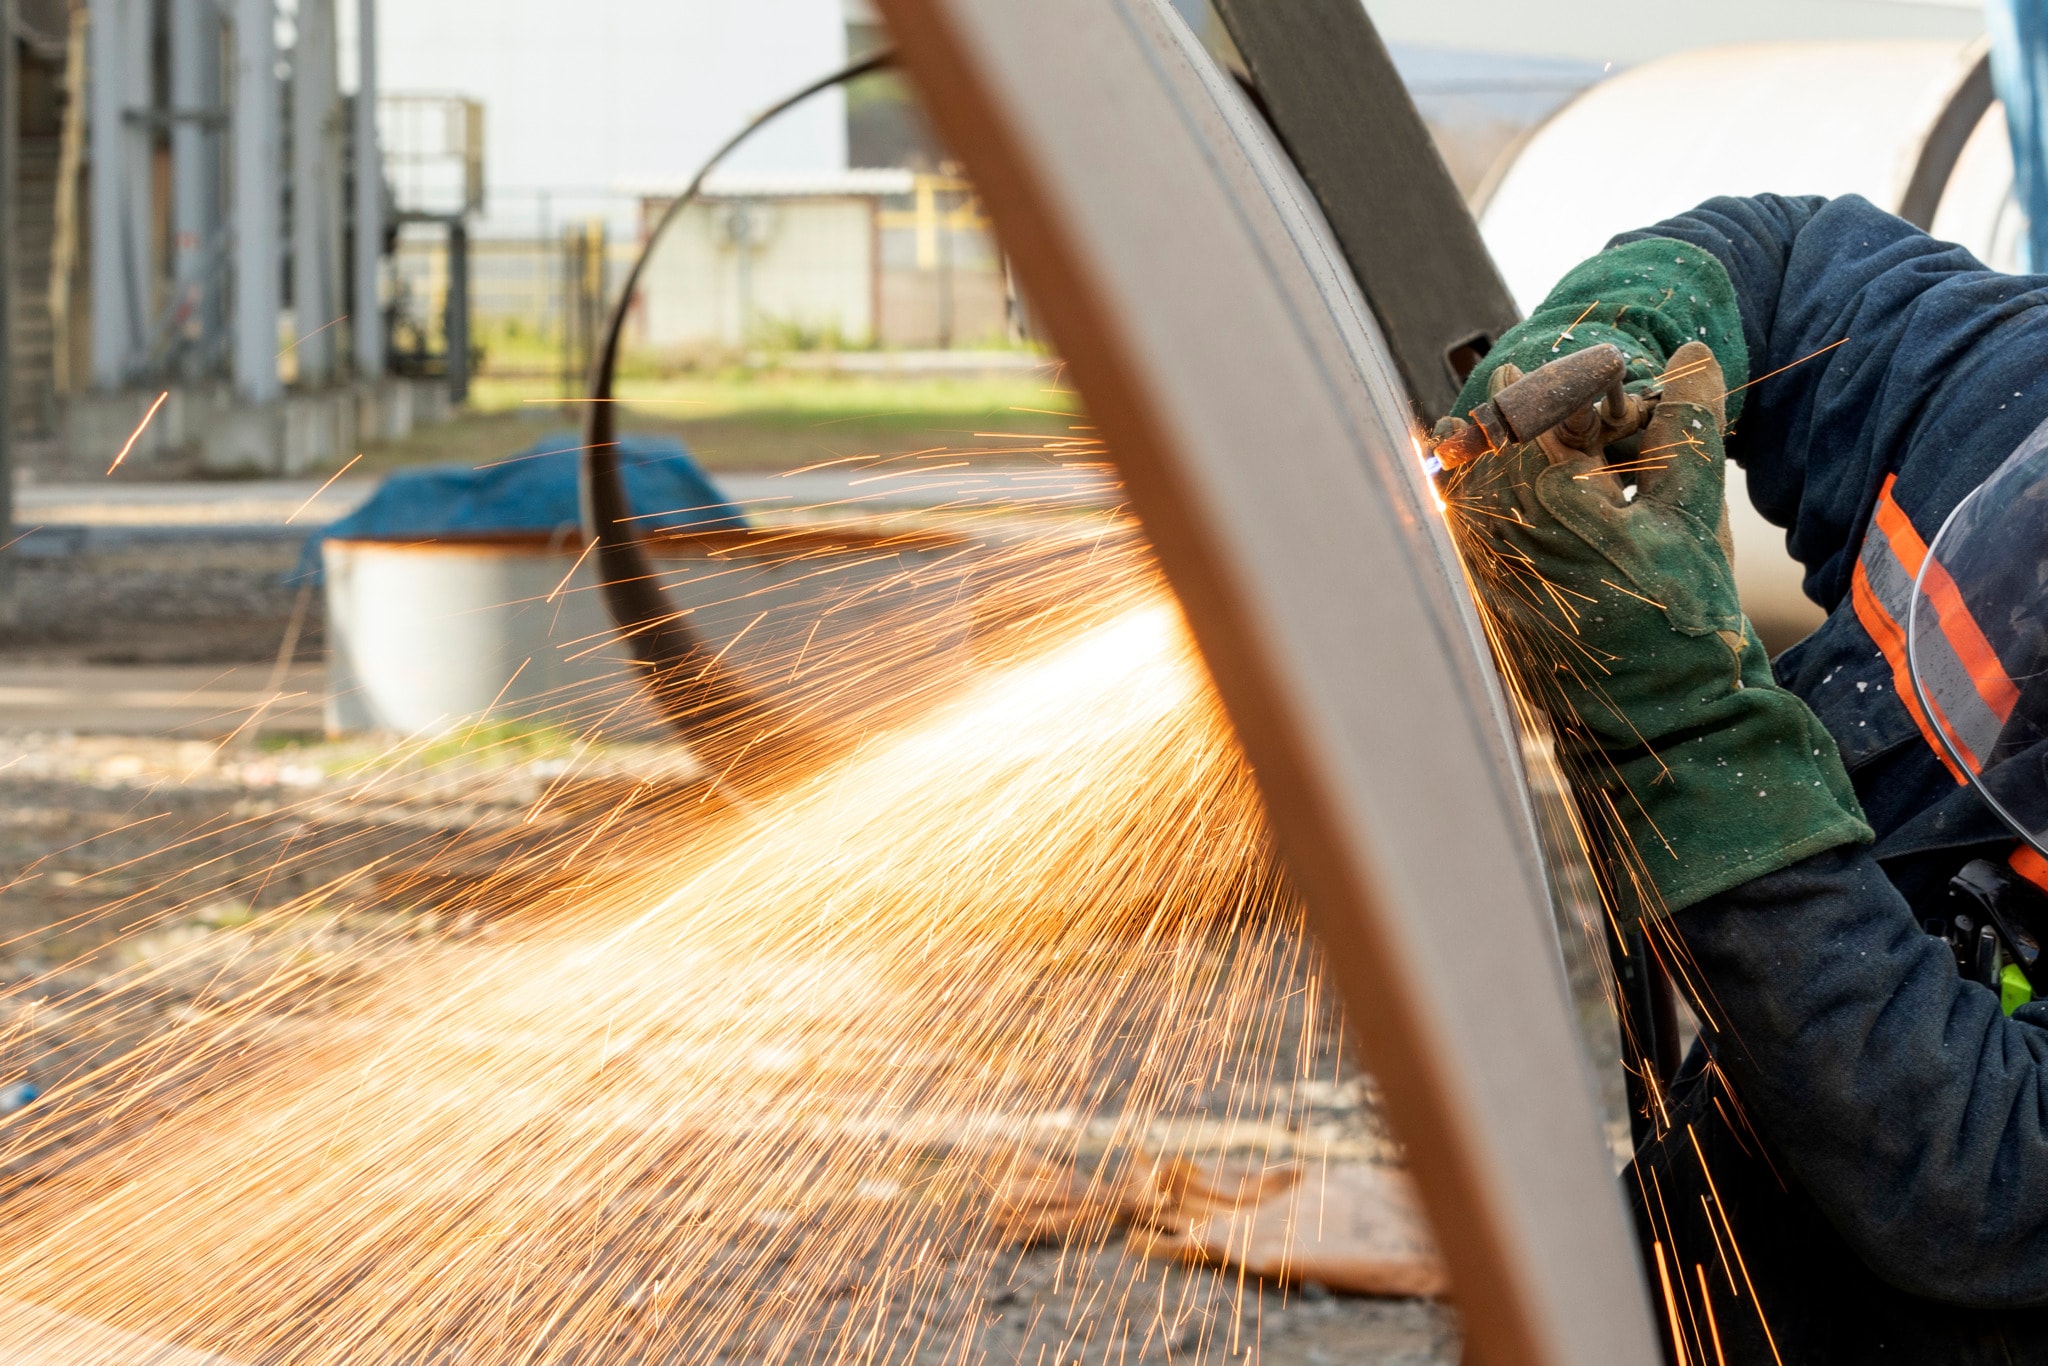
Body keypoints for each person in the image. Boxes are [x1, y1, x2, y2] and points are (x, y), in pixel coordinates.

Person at [1450, 192, 2048, 1362]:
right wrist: (1623, 325)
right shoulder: (2006, 394)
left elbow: (1994, 1183)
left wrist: (1679, 725)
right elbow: (1781, 263)